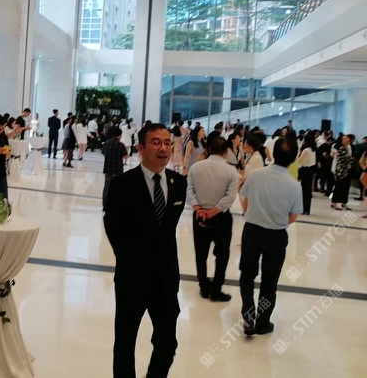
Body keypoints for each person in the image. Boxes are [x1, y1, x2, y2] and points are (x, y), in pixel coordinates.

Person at [104, 123, 186, 378]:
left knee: (167, 342)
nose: (163, 148)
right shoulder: (122, 184)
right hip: (132, 277)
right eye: (156, 142)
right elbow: (112, 225)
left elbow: (168, 229)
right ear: (140, 148)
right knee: (125, 342)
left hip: (166, 278)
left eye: (167, 142)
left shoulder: (178, 183)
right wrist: (131, 258)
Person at [239, 138, 301, 336]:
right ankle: (263, 322)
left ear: (273, 154)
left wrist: (253, 214)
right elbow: (293, 216)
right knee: (269, 281)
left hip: (252, 231)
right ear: (293, 159)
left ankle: (248, 314)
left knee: (247, 274)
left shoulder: (256, 175)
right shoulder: (294, 186)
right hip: (276, 236)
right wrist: (277, 221)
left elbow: (244, 198)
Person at [187, 137, 240, 302]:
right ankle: (216, 289)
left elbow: (189, 190)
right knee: (222, 254)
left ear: (209, 149)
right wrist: (213, 211)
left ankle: (204, 287)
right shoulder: (231, 171)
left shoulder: (195, 168)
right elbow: (230, 197)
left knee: (200, 253)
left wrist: (199, 209)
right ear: (226, 152)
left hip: (199, 216)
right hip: (221, 217)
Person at [102, 127, 129, 209]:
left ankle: (105, 205)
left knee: (107, 187)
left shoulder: (106, 143)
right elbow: (125, 156)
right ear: (120, 135)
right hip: (118, 169)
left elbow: (103, 152)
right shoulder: (121, 145)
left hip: (108, 168)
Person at [331, 134, 353, 211]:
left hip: (346, 170)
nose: (347, 140)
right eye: (345, 139)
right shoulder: (340, 149)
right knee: (338, 187)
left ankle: (343, 202)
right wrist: (351, 159)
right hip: (340, 171)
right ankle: (334, 203)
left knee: (345, 187)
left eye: (347, 138)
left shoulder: (347, 147)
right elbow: (344, 159)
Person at [298, 133, 317, 215]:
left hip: (305, 170)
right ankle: (307, 209)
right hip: (310, 170)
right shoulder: (313, 150)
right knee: (308, 190)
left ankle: (304, 209)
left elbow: (300, 161)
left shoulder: (306, 150)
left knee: (305, 190)